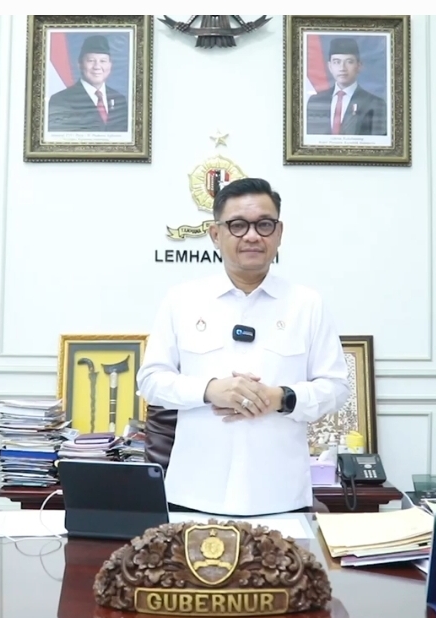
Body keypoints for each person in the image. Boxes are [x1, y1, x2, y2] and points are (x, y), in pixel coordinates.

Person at [136, 177, 349, 516]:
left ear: (279, 233)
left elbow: (336, 388)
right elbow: (150, 381)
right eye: (238, 225)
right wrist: (210, 390)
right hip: (194, 493)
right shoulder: (181, 300)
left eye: (264, 225)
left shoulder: (307, 304)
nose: (252, 236)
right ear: (215, 234)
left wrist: (281, 398)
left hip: (280, 495)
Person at [305, 37, 387, 136]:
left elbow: (379, 141)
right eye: (337, 62)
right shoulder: (316, 102)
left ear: (359, 66)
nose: (342, 68)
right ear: (330, 66)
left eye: (349, 62)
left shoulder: (375, 103)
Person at [46, 34, 129, 133]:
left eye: (103, 61)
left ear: (110, 65)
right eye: (91, 61)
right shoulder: (61, 100)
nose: (97, 66)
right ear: (80, 64)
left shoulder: (119, 100)